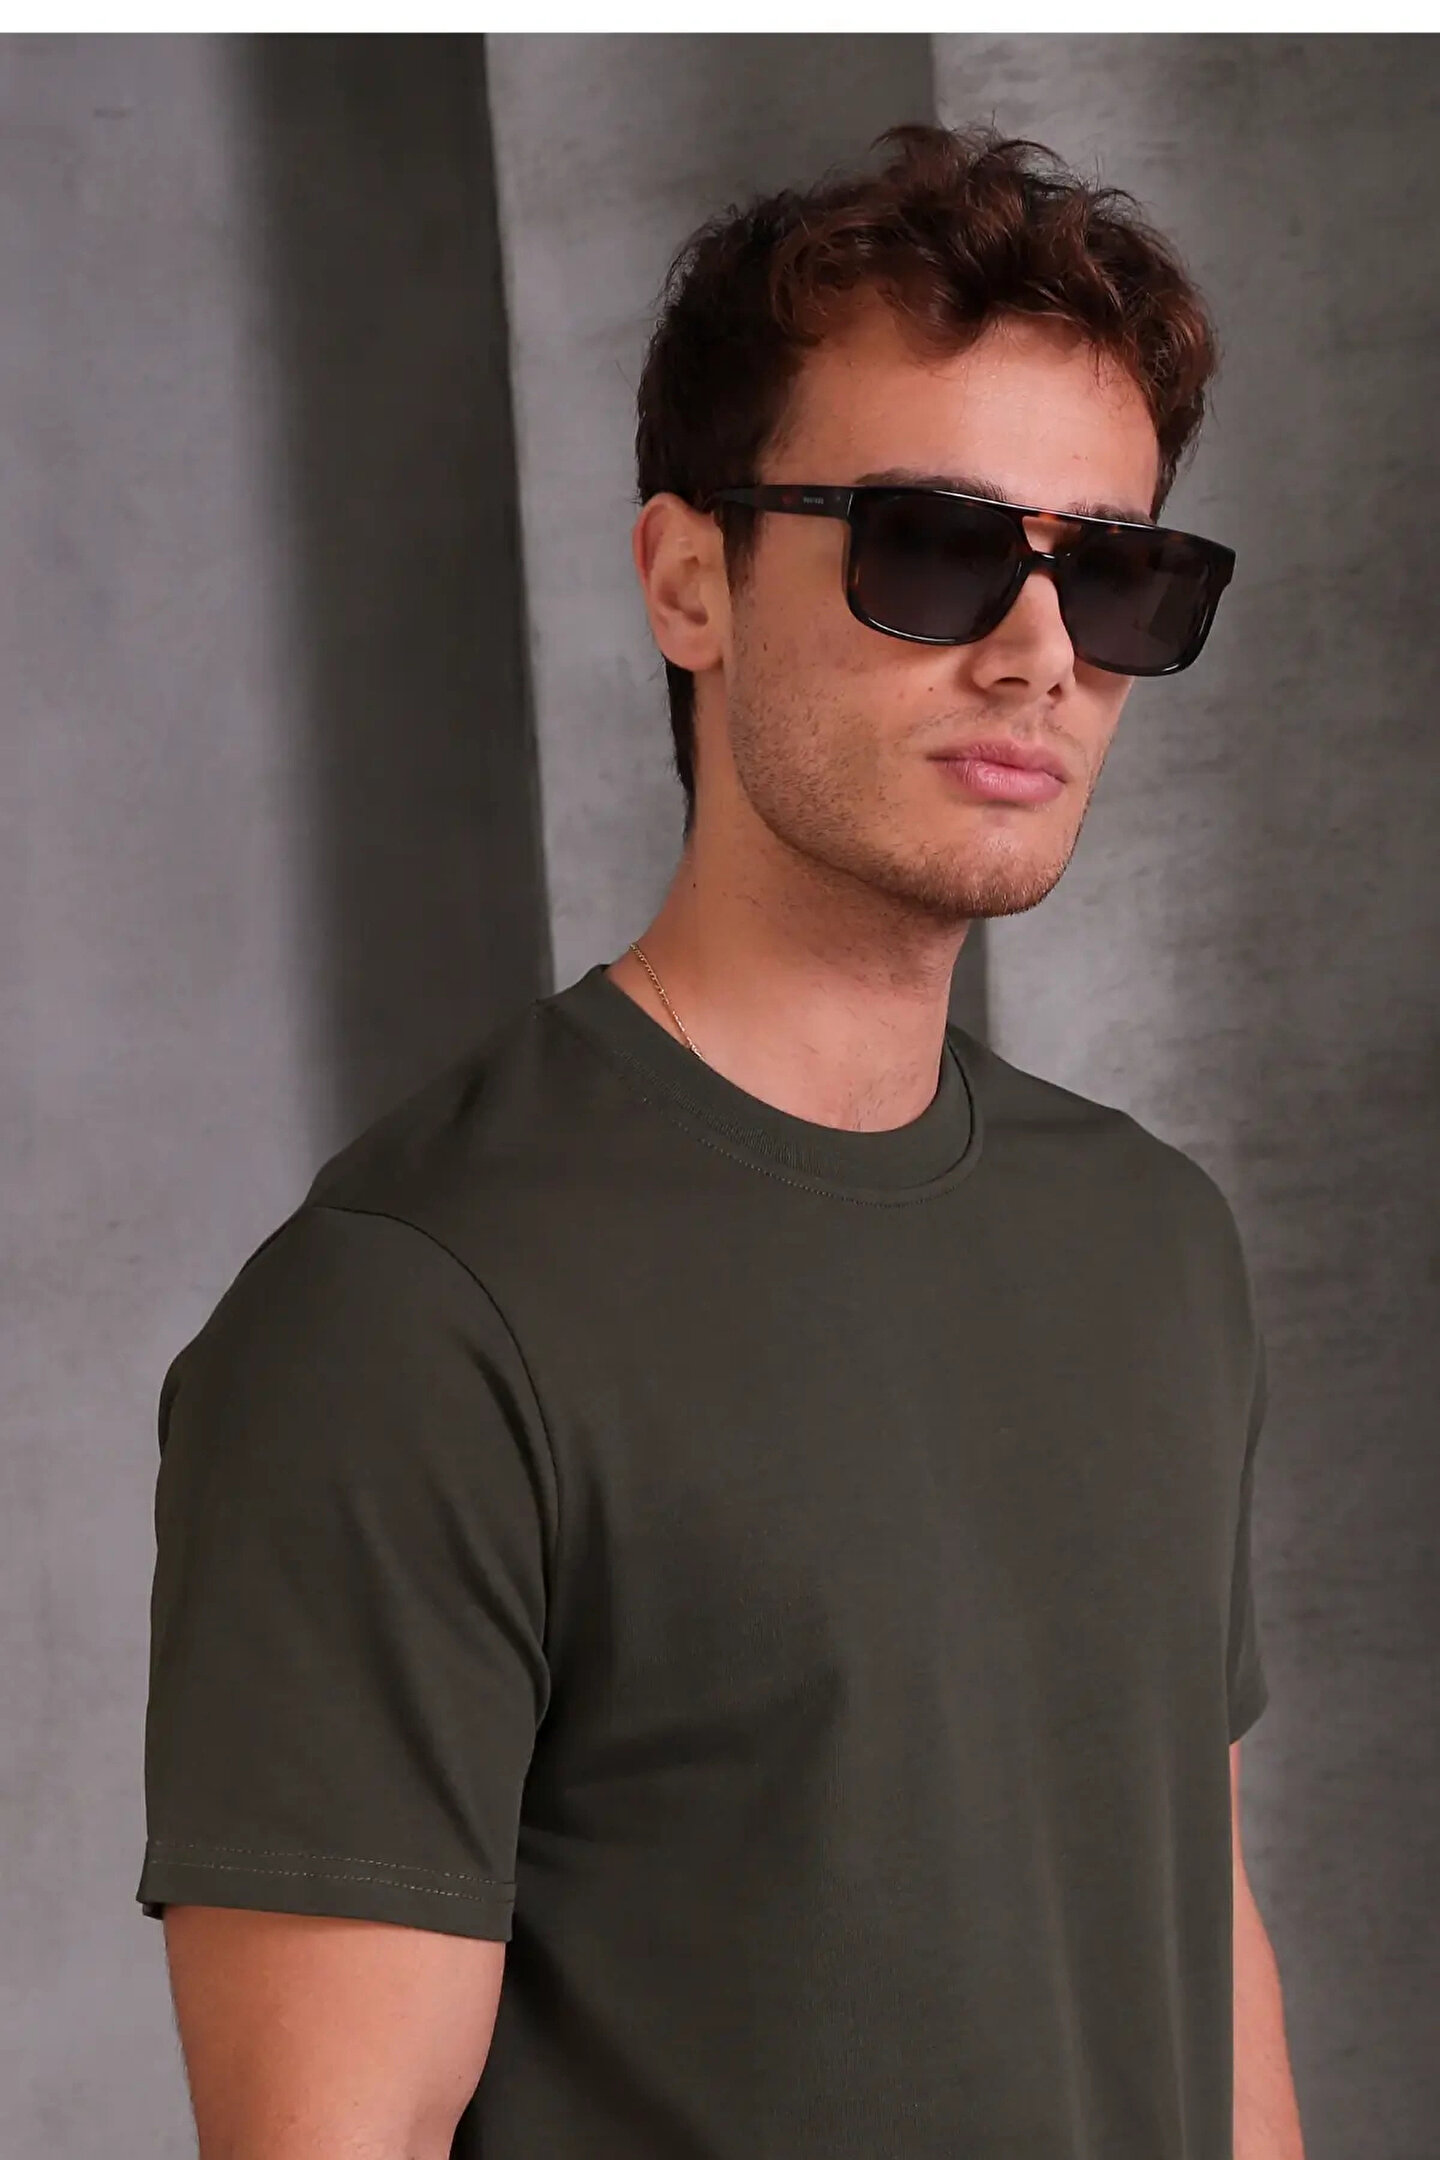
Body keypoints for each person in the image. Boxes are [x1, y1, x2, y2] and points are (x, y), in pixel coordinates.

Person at [138, 123, 1305, 2160]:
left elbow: (1196, 1957)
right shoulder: (410, 1317)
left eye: (1118, 574)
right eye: (931, 547)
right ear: (690, 580)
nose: (1039, 654)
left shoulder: (1153, 1244)